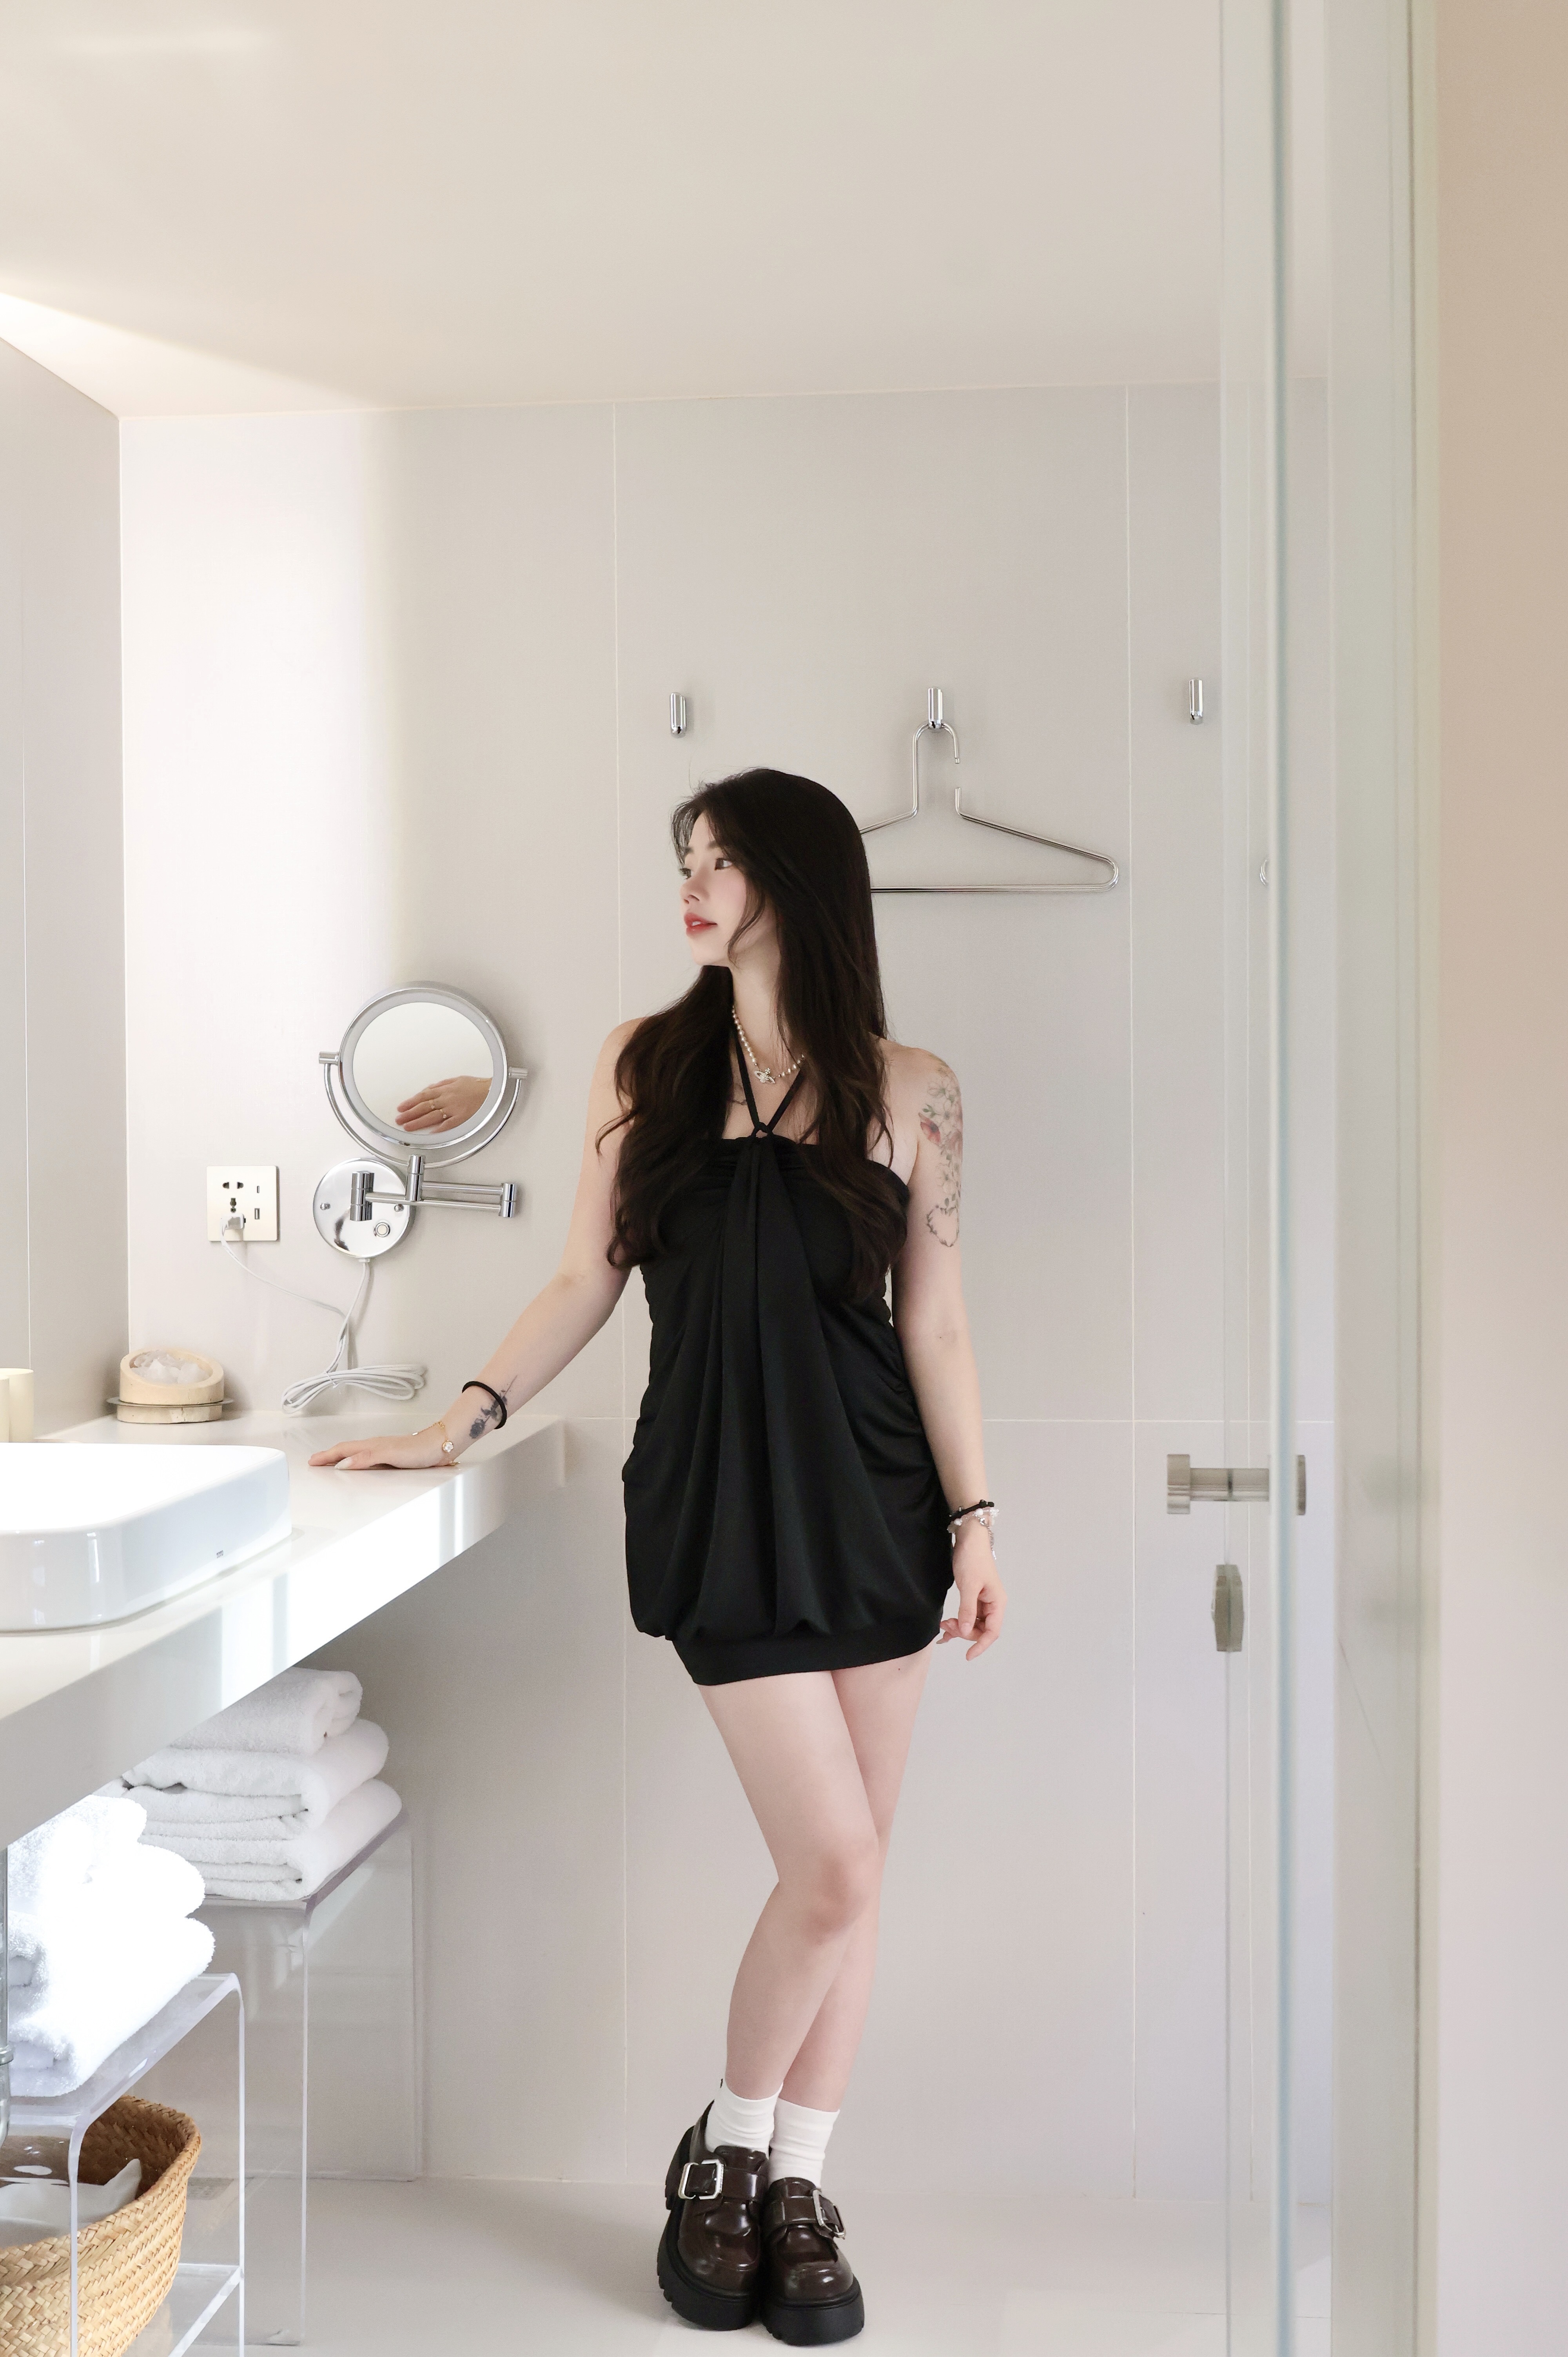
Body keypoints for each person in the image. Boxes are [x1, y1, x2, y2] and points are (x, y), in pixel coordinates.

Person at [310, 769, 1005, 2344]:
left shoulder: (915, 1090)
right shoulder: (647, 1065)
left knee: (855, 1872)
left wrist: (975, 1523)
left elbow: (939, 1327)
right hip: (718, 1501)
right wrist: (456, 1420)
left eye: (719, 862)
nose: (689, 886)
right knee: (832, 1868)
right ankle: (728, 2150)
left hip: (877, 1508)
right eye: (684, 860)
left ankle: (798, 2186)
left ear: (797, 881)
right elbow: (585, 1275)